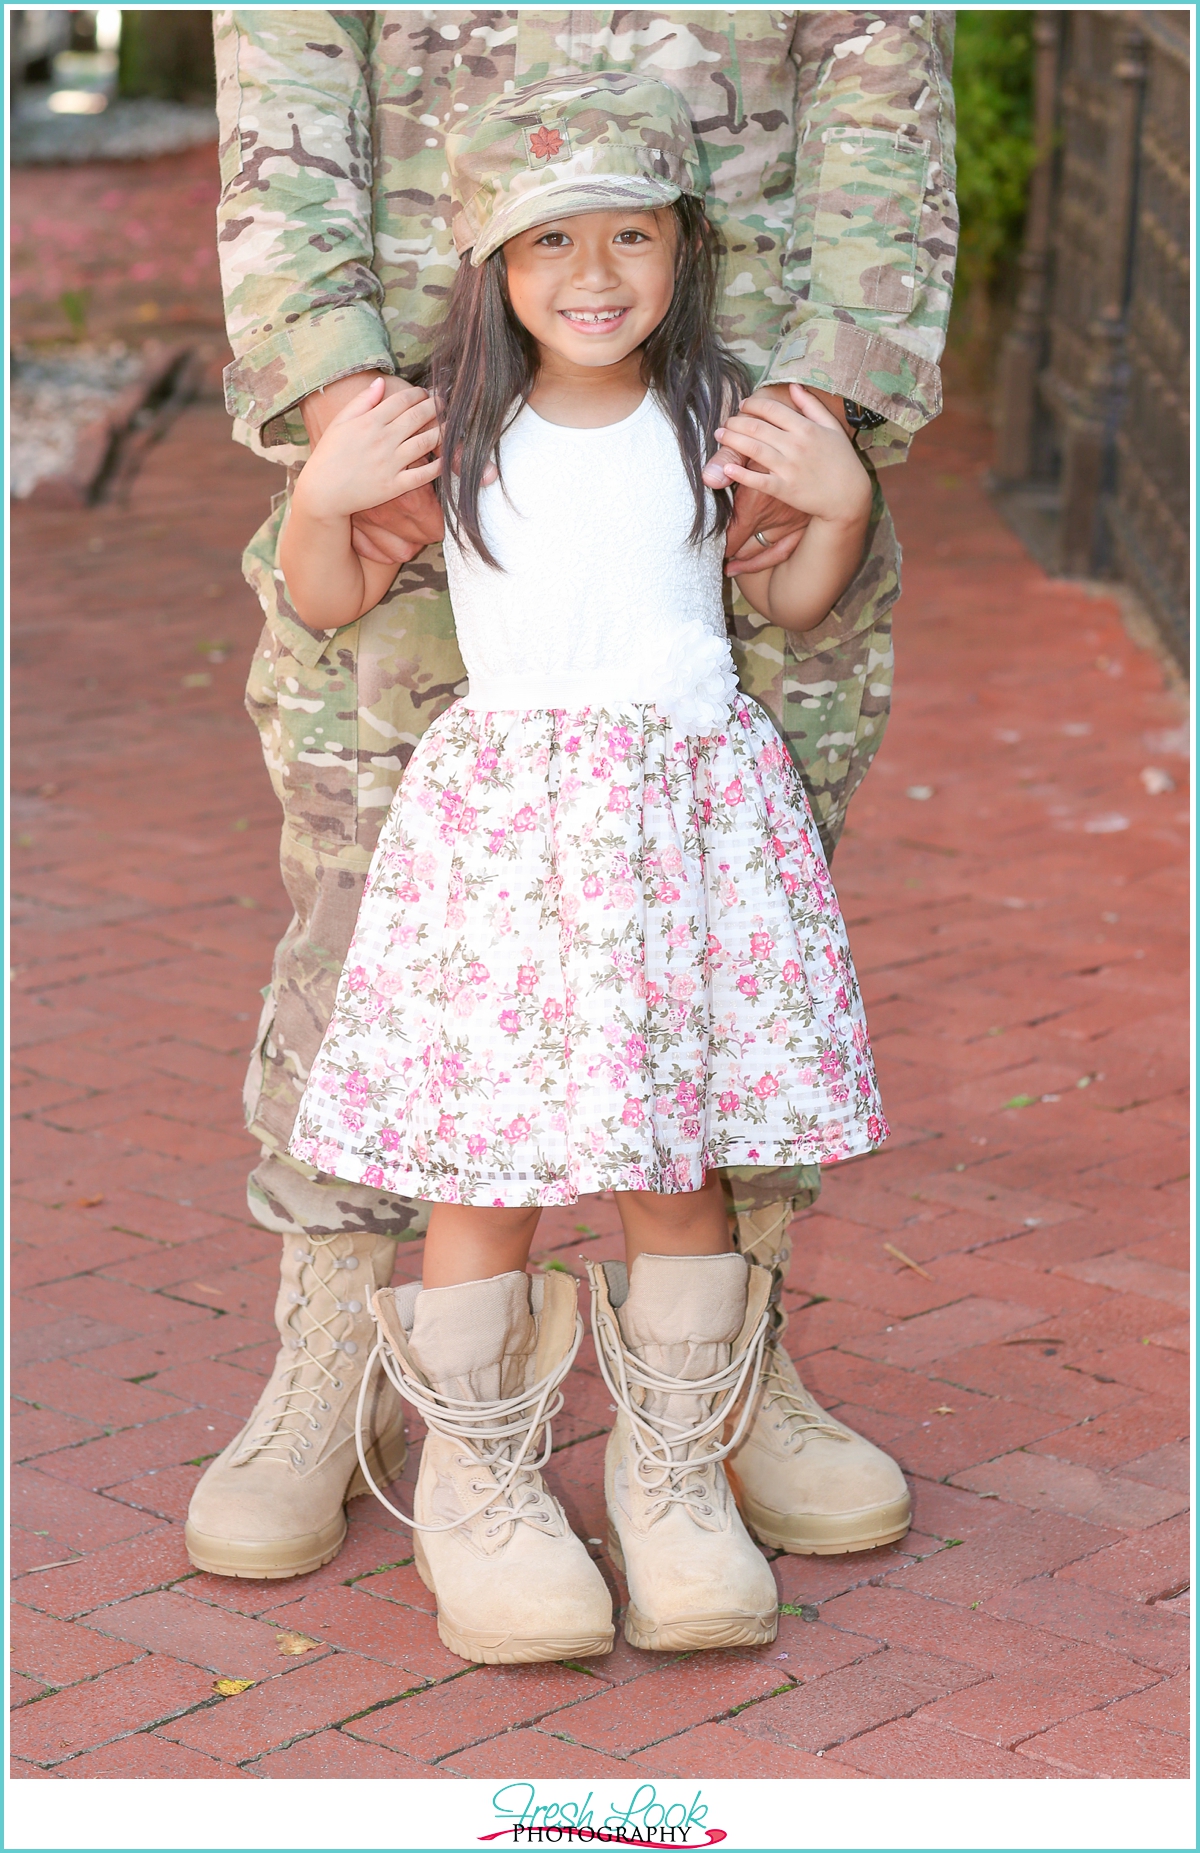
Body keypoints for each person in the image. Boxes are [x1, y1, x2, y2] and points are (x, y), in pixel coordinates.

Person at [187, 9, 956, 1588]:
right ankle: (369, 1366)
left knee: (706, 1013)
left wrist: (831, 418)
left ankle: (714, 1394)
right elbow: (281, 66)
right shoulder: (460, 428)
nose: (594, 267)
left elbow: (881, 68)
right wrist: (339, 409)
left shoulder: (701, 415)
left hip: (750, 383)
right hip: (408, 359)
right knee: (389, 948)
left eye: (620, 243)